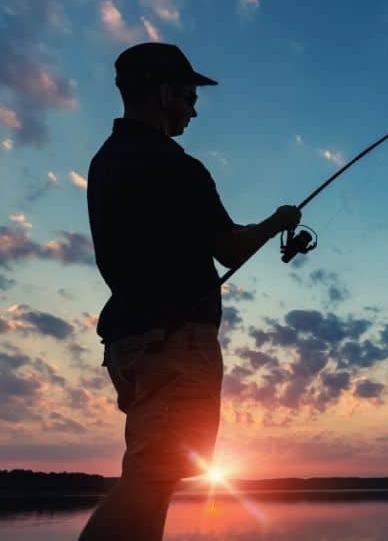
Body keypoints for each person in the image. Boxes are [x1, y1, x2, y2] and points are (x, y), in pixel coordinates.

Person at [78, 42, 300, 541]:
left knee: (155, 479)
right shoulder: (177, 167)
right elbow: (230, 249)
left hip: (130, 344)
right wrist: (275, 223)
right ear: (161, 94)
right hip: (175, 345)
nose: (194, 109)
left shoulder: (106, 162)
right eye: (187, 95)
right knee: (148, 481)